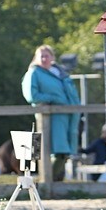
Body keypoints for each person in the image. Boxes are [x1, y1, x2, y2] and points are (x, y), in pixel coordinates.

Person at [21, 44, 80, 182]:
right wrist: (53, 99)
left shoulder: (60, 73)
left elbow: (71, 94)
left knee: (66, 152)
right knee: (57, 151)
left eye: (46, 55)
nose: (43, 58)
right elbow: (32, 96)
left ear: (52, 57)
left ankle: (54, 182)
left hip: (69, 115)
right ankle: (46, 182)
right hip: (50, 116)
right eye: (40, 56)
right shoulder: (34, 73)